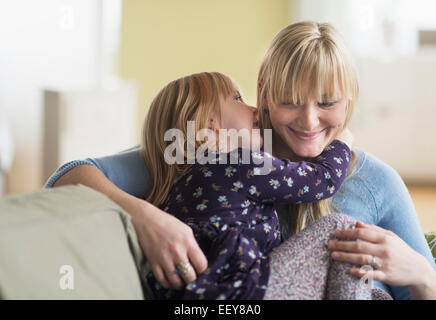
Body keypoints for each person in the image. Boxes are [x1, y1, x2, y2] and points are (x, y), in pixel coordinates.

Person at [45, 21, 436, 300]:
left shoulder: (377, 183)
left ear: (349, 100)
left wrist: (418, 271)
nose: (309, 121)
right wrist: (146, 217)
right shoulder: (204, 154)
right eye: (290, 102)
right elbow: (67, 177)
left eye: (328, 102)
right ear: (264, 93)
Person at [139, 71, 360, 299]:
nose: (254, 109)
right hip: (250, 292)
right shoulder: (237, 164)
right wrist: (342, 141)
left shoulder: (176, 194)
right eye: (237, 99)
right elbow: (323, 180)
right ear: (209, 122)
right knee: (342, 230)